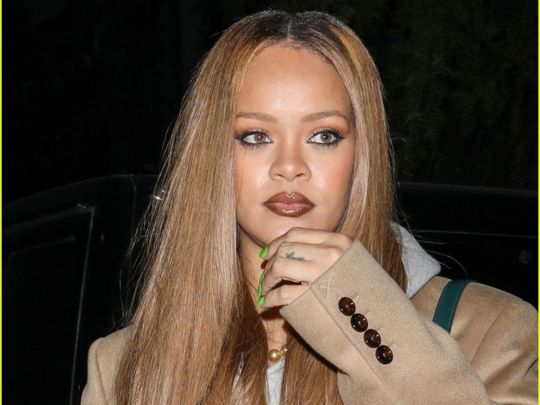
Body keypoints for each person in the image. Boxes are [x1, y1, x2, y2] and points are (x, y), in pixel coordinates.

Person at [81, 10, 537, 404]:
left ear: (361, 154)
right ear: (212, 156)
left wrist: (362, 310)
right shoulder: (123, 367)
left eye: (323, 136)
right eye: (255, 136)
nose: (290, 167)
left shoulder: (489, 330)